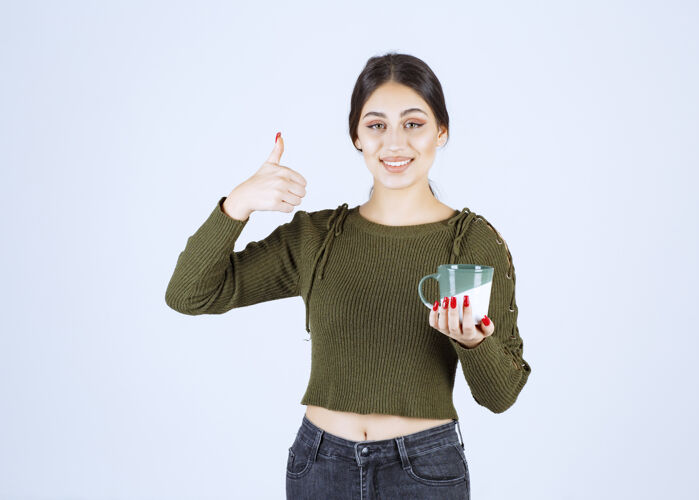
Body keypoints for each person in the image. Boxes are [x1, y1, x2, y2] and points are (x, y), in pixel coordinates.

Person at [165, 52, 531, 499]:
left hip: (424, 470)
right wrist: (237, 204)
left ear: (442, 131)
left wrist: (473, 342)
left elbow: (502, 394)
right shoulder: (316, 238)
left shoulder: (471, 242)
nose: (394, 143)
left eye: (413, 124)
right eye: (376, 125)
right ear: (357, 137)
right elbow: (190, 294)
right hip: (319, 466)